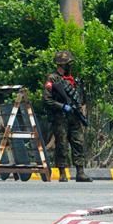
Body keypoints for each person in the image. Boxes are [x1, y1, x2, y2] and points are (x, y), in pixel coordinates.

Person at [43, 50, 92, 182]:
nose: (70, 66)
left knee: (78, 143)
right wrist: (62, 106)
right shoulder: (52, 79)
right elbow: (47, 100)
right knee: (62, 144)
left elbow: (81, 97)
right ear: (61, 65)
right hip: (60, 117)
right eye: (67, 64)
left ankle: (80, 172)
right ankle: (62, 173)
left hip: (74, 116)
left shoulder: (73, 79)